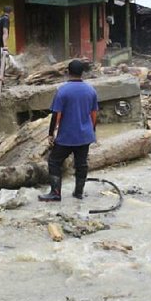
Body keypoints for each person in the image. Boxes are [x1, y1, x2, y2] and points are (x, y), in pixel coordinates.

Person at [39, 59, 99, 202]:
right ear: (82, 73)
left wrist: (50, 134)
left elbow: (56, 114)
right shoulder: (91, 90)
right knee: (81, 163)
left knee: (54, 162)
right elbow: (94, 114)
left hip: (67, 136)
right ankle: (78, 192)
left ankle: (55, 193)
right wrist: (92, 130)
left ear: (68, 72)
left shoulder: (63, 91)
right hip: (85, 135)